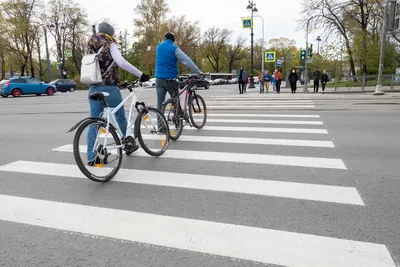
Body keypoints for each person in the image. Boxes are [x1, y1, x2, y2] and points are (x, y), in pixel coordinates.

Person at [86, 22, 150, 166]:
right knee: (120, 117)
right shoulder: (110, 45)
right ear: (110, 34)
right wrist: (141, 74)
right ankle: (128, 145)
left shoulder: (90, 46)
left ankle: (90, 156)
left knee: (94, 123)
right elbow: (121, 62)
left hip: (93, 88)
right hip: (109, 88)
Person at [155, 32, 203, 113]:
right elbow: (186, 60)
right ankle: (178, 119)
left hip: (159, 79)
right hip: (171, 79)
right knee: (175, 100)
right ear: (173, 40)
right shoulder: (174, 48)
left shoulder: (158, 47)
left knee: (160, 104)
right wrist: (198, 71)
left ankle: (161, 125)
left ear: (165, 39)